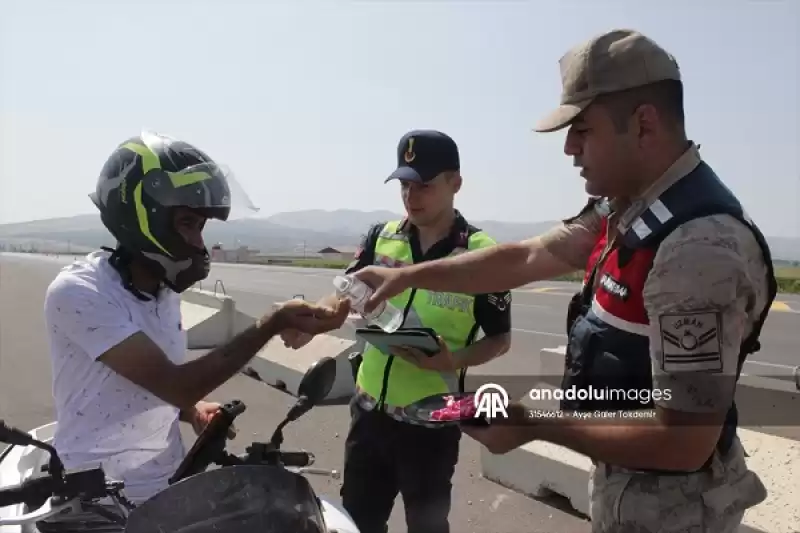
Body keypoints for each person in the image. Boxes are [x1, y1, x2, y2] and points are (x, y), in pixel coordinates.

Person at [351, 30, 777, 533]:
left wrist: (534, 421)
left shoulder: (697, 248)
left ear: (643, 124)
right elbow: (529, 256)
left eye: (583, 128)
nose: (570, 148)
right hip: (626, 491)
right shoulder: (625, 206)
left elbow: (684, 439)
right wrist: (405, 278)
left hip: (676, 513)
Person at [41, 132, 350, 521]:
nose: (198, 242)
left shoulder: (162, 292)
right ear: (143, 214)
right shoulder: (80, 293)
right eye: (187, 223)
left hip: (166, 489)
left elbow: (156, 388)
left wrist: (192, 410)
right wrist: (271, 322)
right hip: (93, 501)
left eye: (201, 226)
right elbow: (175, 382)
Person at [282, 130, 513, 533]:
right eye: (405, 185)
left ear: (455, 183)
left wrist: (453, 360)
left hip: (432, 425)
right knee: (357, 521)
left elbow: (500, 339)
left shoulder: (481, 255)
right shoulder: (381, 238)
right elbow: (345, 292)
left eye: (423, 185)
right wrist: (313, 324)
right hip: (369, 414)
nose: (411, 196)